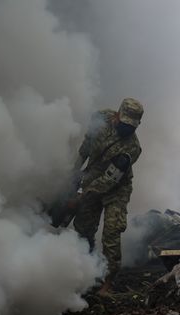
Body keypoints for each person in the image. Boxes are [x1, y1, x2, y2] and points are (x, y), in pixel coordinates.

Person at [69, 98, 143, 296]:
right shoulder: (100, 118)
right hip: (92, 177)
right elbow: (85, 147)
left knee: (111, 232)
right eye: (124, 122)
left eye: (132, 126)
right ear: (117, 115)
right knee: (83, 228)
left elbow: (109, 180)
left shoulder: (132, 149)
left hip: (116, 189)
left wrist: (82, 195)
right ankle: (88, 273)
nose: (127, 128)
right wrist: (74, 174)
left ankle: (107, 283)